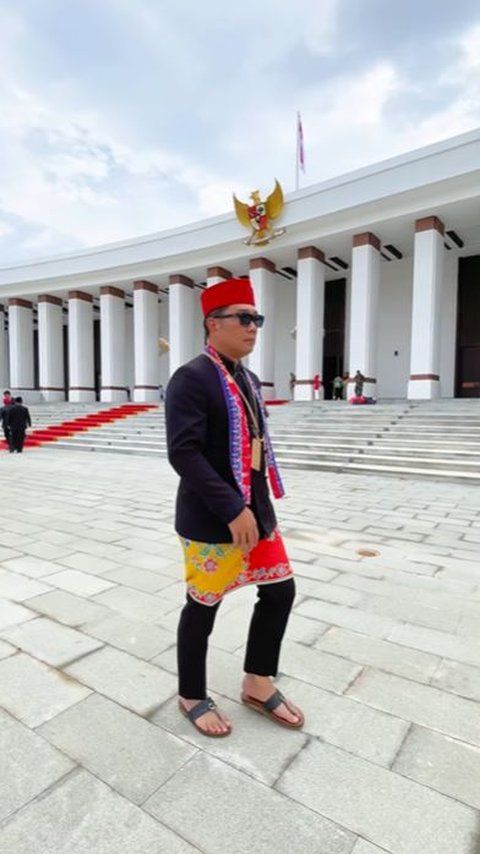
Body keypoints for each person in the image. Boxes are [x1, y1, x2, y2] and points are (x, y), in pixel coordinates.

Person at [166, 277, 303, 737]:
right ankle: (190, 694)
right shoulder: (190, 377)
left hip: (256, 514)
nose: (253, 327)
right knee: (202, 607)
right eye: (243, 318)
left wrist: (257, 508)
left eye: (256, 318)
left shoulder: (243, 376)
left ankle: (257, 681)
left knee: (280, 591)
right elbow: (183, 452)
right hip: (212, 518)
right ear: (212, 323)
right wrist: (231, 507)